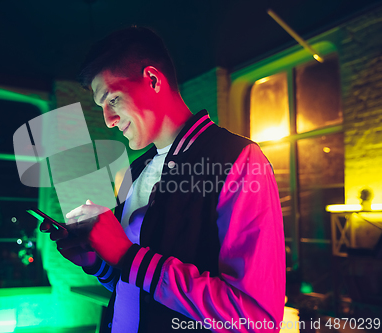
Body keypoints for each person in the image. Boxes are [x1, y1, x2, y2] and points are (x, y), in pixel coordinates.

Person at [52, 26, 285, 332]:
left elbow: (256, 318)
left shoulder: (239, 160)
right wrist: (97, 262)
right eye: (102, 107)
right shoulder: (134, 171)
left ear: (152, 79)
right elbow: (135, 289)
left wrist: (127, 255)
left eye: (113, 100)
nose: (108, 121)